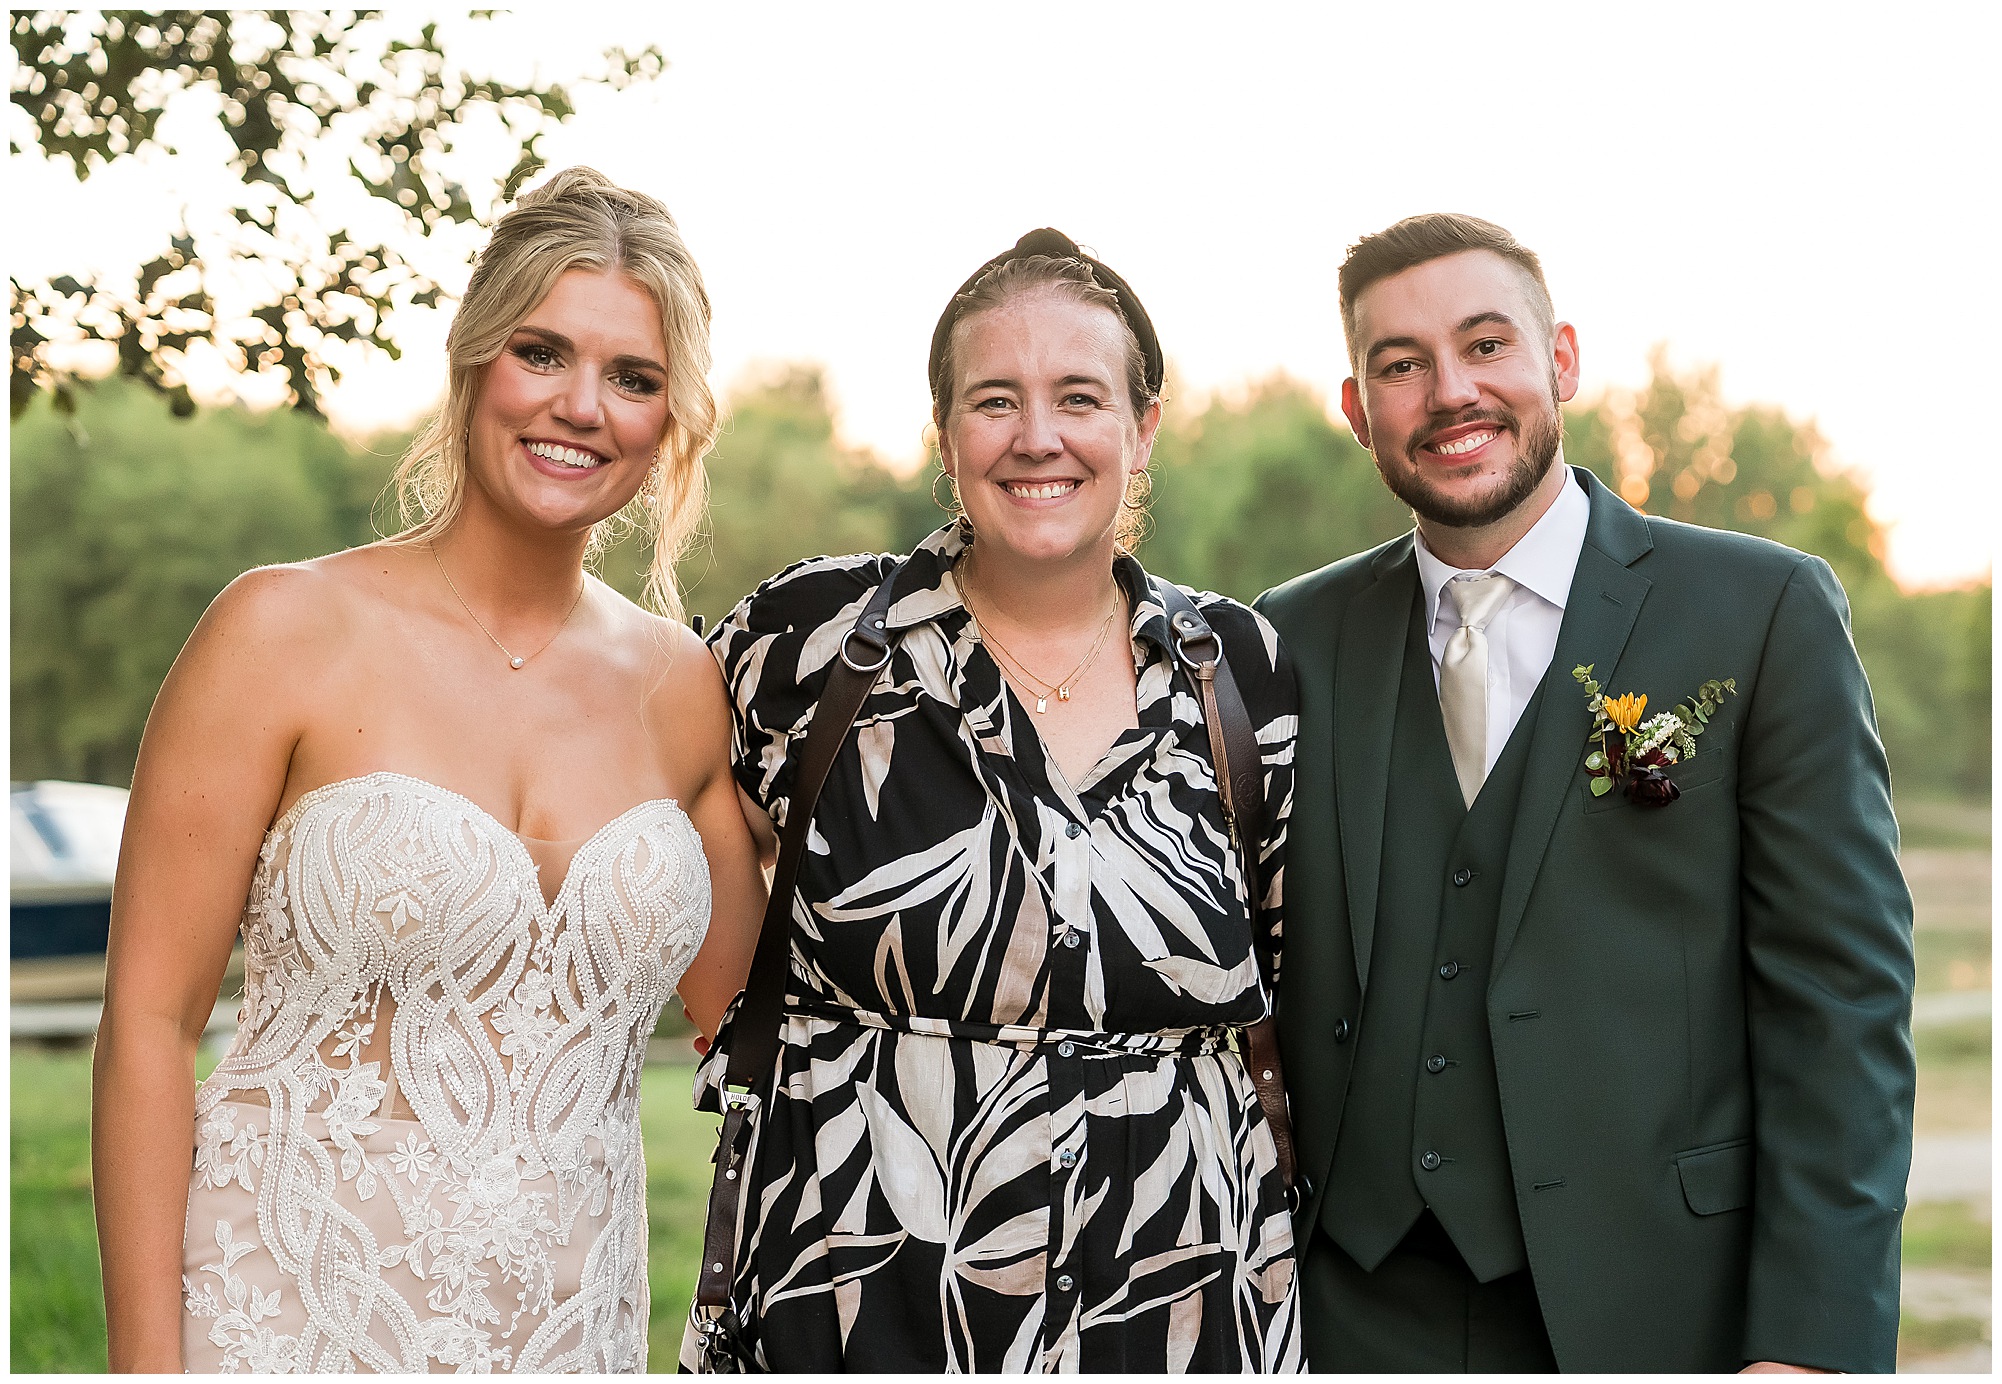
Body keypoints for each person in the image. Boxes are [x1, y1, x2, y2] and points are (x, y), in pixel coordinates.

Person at [91, 166, 766, 1373]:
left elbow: (763, 1029)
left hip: (567, 1335)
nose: (581, 406)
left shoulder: (683, 687)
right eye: (542, 352)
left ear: (673, 418)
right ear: (472, 356)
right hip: (279, 1318)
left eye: (633, 377)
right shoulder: (279, 630)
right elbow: (148, 1022)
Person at [1255, 213, 1914, 1372]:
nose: (1450, 392)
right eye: (1401, 365)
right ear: (1357, 410)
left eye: (1486, 344)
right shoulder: (1282, 640)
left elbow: (1839, 1005)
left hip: (1654, 1307)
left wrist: (1810, 1348)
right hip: (1343, 1315)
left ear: (1560, 359)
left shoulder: (1760, 611)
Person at [688, 230, 1303, 1371]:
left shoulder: (1240, 672)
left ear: (1142, 427)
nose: (1037, 437)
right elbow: (654, 792)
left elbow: (1293, 966)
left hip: (1182, 1299)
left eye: (1079, 397)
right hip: (863, 1294)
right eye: (994, 400)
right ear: (944, 431)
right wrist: (725, 1001)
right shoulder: (810, 644)